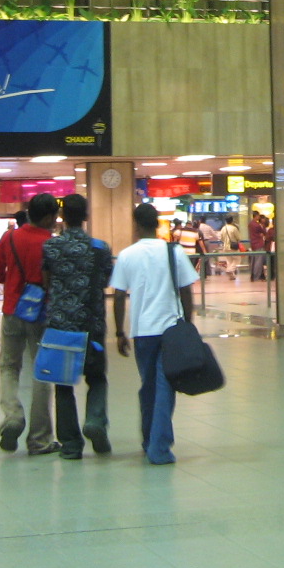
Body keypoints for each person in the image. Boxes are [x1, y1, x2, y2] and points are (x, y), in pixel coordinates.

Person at [111, 203, 198, 466]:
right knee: (165, 387)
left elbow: (117, 295)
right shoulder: (174, 252)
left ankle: (149, 439)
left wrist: (119, 332)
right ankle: (159, 447)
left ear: (136, 224)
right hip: (171, 329)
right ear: (157, 224)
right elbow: (186, 291)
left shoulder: (127, 255)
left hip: (143, 332)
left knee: (148, 386)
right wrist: (188, 326)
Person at [40, 194, 113, 459]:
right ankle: (95, 421)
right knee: (97, 379)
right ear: (86, 216)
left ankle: (71, 444)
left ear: (62, 217)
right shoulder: (100, 248)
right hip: (91, 325)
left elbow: (46, 281)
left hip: (61, 325)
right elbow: (106, 280)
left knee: (63, 385)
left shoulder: (51, 247)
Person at [0, 193, 62, 454]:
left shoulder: (9, 237)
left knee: (9, 365)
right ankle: (40, 439)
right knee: (42, 372)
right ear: (47, 217)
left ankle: (12, 416)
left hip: (12, 311)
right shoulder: (52, 244)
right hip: (41, 315)